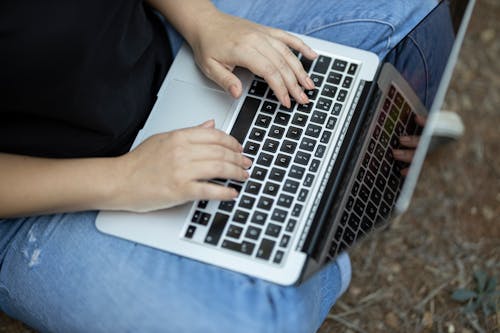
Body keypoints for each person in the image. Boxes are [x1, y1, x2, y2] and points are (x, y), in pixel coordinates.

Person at [0, 0, 437, 332]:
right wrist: (123, 179)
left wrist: (204, 19)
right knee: (262, 322)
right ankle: (315, 236)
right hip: (43, 195)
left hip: (167, 44)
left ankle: (326, 195)